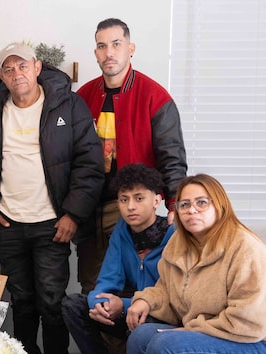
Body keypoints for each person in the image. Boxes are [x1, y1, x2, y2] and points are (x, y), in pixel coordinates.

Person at [0, 41, 105, 354]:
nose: (16, 74)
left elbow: (89, 165)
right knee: (21, 304)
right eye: (8, 69)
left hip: (52, 225)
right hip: (8, 224)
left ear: (37, 68)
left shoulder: (68, 107)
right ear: (1, 76)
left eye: (21, 66)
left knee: (52, 304)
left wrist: (73, 214)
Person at [125, 173, 266, 354]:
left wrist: (191, 330)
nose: (191, 210)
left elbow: (250, 321)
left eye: (201, 203)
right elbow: (167, 289)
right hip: (217, 333)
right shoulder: (178, 245)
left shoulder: (246, 249)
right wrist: (146, 300)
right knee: (140, 337)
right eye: (184, 204)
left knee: (165, 346)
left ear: (220, 206)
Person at [74, 18, 187, 305]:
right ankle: (99, 352)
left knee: (134, 287)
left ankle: (135, 350)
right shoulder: (82, 97)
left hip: (130, 206)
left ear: (130, 48)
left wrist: (175, 204)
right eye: (102, 46)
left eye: (116, 44)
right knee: (93, 288)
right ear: (95, 52)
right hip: (88, 210)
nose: (109, 52)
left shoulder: (155, 96)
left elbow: (172, 157)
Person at [62, 163, 174, 354]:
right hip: (132, 314)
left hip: (163, 318)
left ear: (157, 199)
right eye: (124, 200)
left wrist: (122, 305)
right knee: (73, 305)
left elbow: (172, 294)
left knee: (144, 329)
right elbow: (107, 282)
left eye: (139, 198)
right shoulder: (122, 233)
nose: (130, 207)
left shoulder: (174, 235)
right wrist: (99, 305)